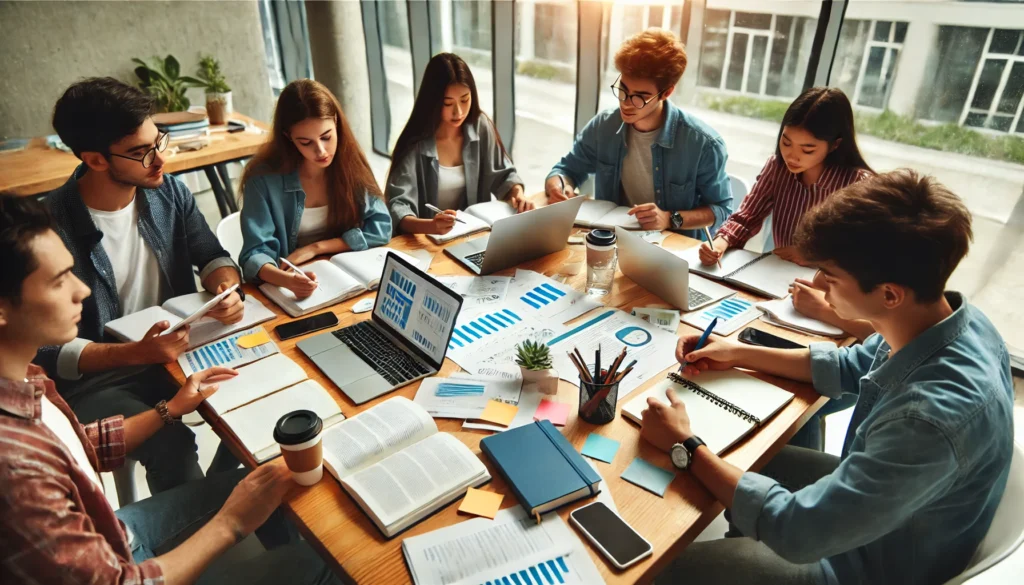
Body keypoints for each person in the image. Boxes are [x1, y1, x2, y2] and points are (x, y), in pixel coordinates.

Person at [642, 170, 1014, 585]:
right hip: (889, 515)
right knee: (751, 454)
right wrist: (737, 353)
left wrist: (686, 447)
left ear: (890, 294)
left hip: (866, 567)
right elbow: (846, 367)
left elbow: (798, 531)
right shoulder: (949, 320)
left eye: (831, 277)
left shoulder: (927, 420)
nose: (818, 284)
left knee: (660, 568)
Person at [0, 194, 339, 585]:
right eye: (59, 281)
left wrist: (171, 408)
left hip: (114, 536)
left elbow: (75, 447)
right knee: (324, 561)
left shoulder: (23, 377)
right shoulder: (16, 470)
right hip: (123, 566)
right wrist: (230, 524)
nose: (82, 291)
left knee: (279, 478)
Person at [40, 77, 246, 493]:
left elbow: (210, 253)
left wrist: (226, 288)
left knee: (261, 391)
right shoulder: (49, 226)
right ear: (95, 160)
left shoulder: (167, 191)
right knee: (171, 442)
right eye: (141, 153)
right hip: (102, 379)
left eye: (159, 142)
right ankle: (202, 535)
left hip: (178, 353)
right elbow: (45, 351)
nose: (159, 160)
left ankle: (230, 503)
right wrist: (136, 352)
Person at [544, 28, 732, 239]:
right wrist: (560, 188)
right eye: (623, 89)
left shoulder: (704, 144)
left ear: (667, 92)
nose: (626, 103)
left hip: (676, 250)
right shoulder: (604, 126)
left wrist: (670, 218)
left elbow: (722, 209)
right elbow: (565, 169)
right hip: (613, 241)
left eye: (640, 97)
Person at [239, 79, 391, 299]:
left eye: (326, 137)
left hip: (348, 280)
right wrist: (287, 281)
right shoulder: (262, 180)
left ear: (336, 123)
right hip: (292, 287)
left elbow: (381, 226)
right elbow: (255, 254)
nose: (321, 151)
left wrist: (316, 248)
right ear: (288, 138)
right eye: (305, 142)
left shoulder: (350, 164)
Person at [387, 53, 533, 235]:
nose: (459, 112)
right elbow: (398, 207)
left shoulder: (480, 126)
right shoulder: (415, 143)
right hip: (427, 242)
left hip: (472, 236)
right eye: (448, 104)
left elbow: (503, 176)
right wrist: (431, 226)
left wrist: (517, 194)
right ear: (432, 102)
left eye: (465, 100)